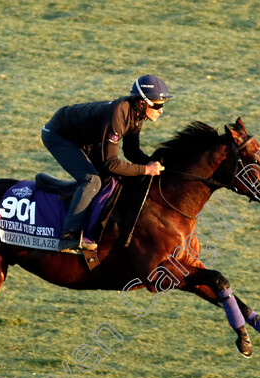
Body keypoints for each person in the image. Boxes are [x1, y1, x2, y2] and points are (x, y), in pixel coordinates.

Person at [41, 75, 171, 252]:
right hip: (59, 135)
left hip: (84, 138)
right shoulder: (119, 113)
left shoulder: (137, 116)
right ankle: (68, 236)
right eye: (157, 105)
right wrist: (146, 170)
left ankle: (56, 188)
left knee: (108, 179)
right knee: (91, 181)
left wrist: (153, 163)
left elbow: (131, 152)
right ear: (142, 102)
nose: (161, 110)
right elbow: (111, 163)